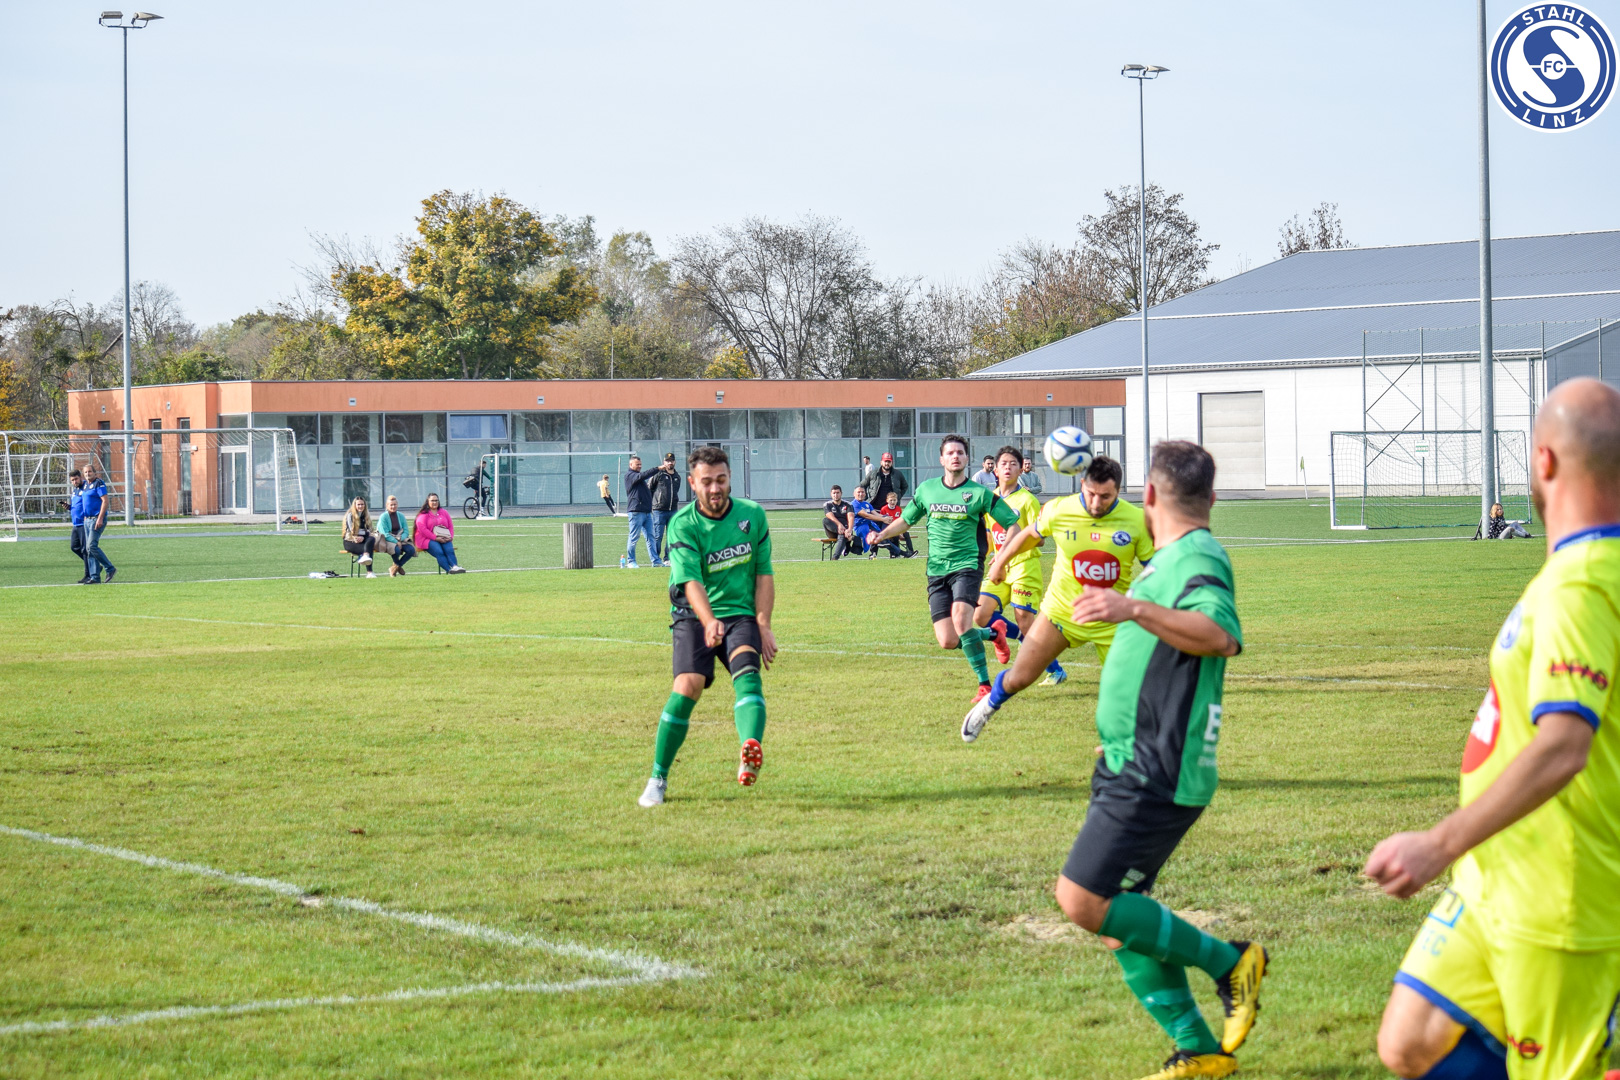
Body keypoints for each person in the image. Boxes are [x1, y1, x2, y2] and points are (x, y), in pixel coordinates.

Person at [1367, 378, 1620, 1080]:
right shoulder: (1574, 571)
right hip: (1492, 878)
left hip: (1558, 898)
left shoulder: (1583, 582)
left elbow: (1565, 745)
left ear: (1544, 461)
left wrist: (1437, 843)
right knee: (1409, 1041)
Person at [1052, 441, 1263, 1080]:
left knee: (1082, 899)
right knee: (1120, 917)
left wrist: (1132, 607)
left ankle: (1231, 962)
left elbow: (1219, 635)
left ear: (1146, 497)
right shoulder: (1170, 558)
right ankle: (1198, 1049)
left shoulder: (1198, 555)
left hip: (1157, 765)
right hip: (1132, 754)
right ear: (1213, 497)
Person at [963, 455, 1154, 739]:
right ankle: (988, 706)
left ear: (1118, 491)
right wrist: (1001, 561)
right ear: (1082, 484)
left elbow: (1156, 568)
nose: (1096, 503)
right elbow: (1030, 534)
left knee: (1131, 692)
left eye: (1106, 497)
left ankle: (1122, 748)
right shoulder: (1060, 509)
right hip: (1060, 614)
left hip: (1112, 621)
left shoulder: (1137, 520)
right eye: (1091, 494)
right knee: (1020, 677)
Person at [638, 445, 777, 808]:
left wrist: (763, 624)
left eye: (721, 480)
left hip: (739, 613)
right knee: (688, 685)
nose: (715, 488)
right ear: (693, 484)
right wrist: (708, 619)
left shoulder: (752, 515)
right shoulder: (682, 523)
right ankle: (657, 778)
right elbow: (691, 582)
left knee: (748, 673)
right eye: (707, 482)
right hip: (691, 614)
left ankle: (750, 748)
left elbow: (764, 574)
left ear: (729, 479)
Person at [868, 434, 1020, 703]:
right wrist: (882, 535)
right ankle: (994, 633)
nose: (955, 456)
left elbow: (1013, 525)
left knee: (962, 621)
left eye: (960, 452)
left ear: (967, 458)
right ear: (941, 459)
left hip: (967, 565)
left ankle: (985, 686)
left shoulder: (980, 493)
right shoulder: (927, 490)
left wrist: (1002, 557)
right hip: (937, 569)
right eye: (950, 453)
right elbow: (906, 521)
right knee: (948, 640)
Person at [972, 445, 1046, 666]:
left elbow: (1040, 538)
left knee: (1024, 620)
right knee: (980, 615)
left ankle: (1055, 669)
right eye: (1003, 463)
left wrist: (1009, 549)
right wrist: (979, 557)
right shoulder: (990, 498)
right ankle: (1007, 634)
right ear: (995, 469)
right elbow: (989, 535)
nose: (1008, 467)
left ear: (1020, 470)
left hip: (1024, 566)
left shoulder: (1028, 500)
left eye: (1013, 464)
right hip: (999, 567)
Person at [623, 455, 666, 568]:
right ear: (631, 465)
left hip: (647, 512)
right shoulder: (630, 475)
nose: (639, 466)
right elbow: (643, 475)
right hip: (636, 511)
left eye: (640, 464)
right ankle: (631, 561)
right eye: (637, 464)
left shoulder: (639, 479)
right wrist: (658, 468)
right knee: (634, 537)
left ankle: (656, 561)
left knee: (651, 537)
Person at [79, 462, 115, 585]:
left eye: (90, 471)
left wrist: (100, 518)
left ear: (95, 473)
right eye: (85, 472)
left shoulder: (98, 483)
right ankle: (95, 577)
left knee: (91, 546)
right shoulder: (85, 485)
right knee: (89, 549)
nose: (87, 474)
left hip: (96, 519)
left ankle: (110, 568)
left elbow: (105, 501)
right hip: (87, 520)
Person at [414, 493, 465, 573]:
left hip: (443, 537)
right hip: (426, 539)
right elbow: (423, 530)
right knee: (439, 551)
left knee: (449, 550)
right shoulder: (423, 514)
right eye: (432, 501)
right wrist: (435, 538)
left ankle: (455, 567)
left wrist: (450, 537)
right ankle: (449, 570)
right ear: (428, 502)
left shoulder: (444, 512)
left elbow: (450, 526)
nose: (435, 502)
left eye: (436, 500)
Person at [648, 452, 682, 565]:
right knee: (658, 536)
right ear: (664, 462)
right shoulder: (659, 474)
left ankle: (667, 558)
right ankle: (656, 559)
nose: (670, 463)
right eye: (667, 461)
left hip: (673, 510)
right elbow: (650, 488)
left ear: (674, 462)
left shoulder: (677, 477)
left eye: (671, 461)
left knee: (671, 536)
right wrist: (652, 504)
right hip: (659, 510)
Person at [850, 486, 897, 558]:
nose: (861, 494)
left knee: (884, 530)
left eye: (862, 492)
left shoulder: (867, 504)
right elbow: (867, 516)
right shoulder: (854, 504)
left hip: (869, 524)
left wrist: (886, 518)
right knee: (873, 533)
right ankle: (877, 547)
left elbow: (876, 514)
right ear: (854, 494)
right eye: (858, 492)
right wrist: (883, 519)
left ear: (865, 494)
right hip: (860, 526)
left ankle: (892, 548)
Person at [376, 495, 416, 576]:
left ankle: (396, 566)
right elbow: (385, 534)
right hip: (387, 539)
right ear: (387, 505)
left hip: (400, 538)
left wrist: (400, 539)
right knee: (396, 550)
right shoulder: (383, 517)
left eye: (395, 504)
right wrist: (396, 542)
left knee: (411, 550)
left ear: (397, 505)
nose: (393, 506)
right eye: (391, 505)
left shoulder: (401, 515)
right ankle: (398, 566)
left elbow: (406, 531)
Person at [343, 496, 379, 577]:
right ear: (354, 505)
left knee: (371, 539)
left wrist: (363, 537)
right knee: (368, 548)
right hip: (350, 541)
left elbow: (370, 530)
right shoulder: (350, 515)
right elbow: (353, 531)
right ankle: (369, 572)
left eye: (362, 504)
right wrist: (362, 535)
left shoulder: (366, 515)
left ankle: (365, 557)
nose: (360, 506)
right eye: (358, 504)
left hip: (363, 540)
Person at [877, 491, 916, 557]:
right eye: (891, 500)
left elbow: (900, 520)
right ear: (887, 500)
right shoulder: (884, 509)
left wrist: (901, 531)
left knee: (906, 533)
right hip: (889, 529)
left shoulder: (898, 508)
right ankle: (894, 554)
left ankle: (911, 551)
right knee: (894, 536)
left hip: (897, 528)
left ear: (897, 500)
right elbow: (882, 521)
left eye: (894, 500)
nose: (893, 502)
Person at [822, 485, 857, 559]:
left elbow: (851, 517)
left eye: (837, 493)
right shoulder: (827, 504)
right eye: (834, 493)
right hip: (833, 531)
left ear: (841, 493)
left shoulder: (848, 504)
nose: (836, 495)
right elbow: (830, 516)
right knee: (825, 521)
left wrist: (850, 529)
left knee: (841, 535)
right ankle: (849, 539)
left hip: (846, 531)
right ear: (831, 494)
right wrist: (839, 525)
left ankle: (835, 558)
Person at [68, 469, 88, 582]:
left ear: (80, 477)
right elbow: (76, 506)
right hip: (76, 524)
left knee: (85, 549)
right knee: (74, 547)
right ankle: (93, 565)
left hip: (84, 524)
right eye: (72, 480)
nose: (74, 482)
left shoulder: (86, 488)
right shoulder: (75, 490)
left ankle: (88, 574)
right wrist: (69, 507)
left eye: (76, 479)